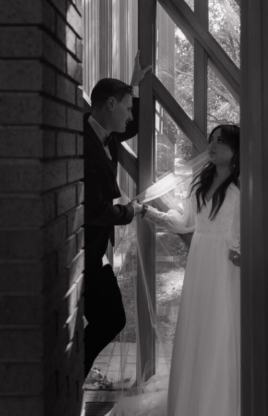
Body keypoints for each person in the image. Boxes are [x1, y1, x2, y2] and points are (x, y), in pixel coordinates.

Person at [108, 124, 240, 416]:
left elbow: (249, 227)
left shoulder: (245, 186)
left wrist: (241, 252)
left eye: (220, 141)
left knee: (223, 328)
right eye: (211, 140)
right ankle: (193, 401)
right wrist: (148, 212)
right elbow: (184, 223)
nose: (213, 145)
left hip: (228, 265)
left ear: (236, 149)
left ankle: (222, 403)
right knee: (198, 326)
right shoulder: (200, 183)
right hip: (201, 261)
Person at [84, 53, 151, 377]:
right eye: (125, 106)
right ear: (110, 104)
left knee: (106, 318)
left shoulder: (105, 134)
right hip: (86, 252)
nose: (129, 115)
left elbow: (132, 126)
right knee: (111, 318)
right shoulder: (84, 144)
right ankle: (73, 372)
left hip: (95, 251)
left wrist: (135, 86)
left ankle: (73, 371)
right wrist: (130, 211)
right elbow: (94, 209)